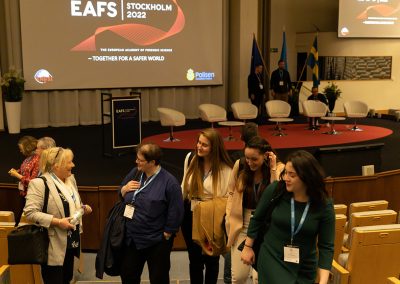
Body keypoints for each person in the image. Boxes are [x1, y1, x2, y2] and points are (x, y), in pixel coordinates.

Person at [240, 150, 335, 284]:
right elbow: (257, 218)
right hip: (273, 258)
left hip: (305, 266)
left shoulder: (324, 205)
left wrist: (323, 281)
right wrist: (248, 247)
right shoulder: (276, 190)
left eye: (292, 175)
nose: (286, 178)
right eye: (285, 172)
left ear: (307, 177)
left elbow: (326, 246)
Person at [24, 147, 92, 284]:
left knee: (67, 279)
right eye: (69, 162)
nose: (73, 165)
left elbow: (71, 202)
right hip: (52, 245)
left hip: (71, 242)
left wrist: (83, 208)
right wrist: (57, 222)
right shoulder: (39, 184)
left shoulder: (70, 180)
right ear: (56, 165)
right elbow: (30, 213)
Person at [119, 142, 184, 284]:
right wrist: (123, 190)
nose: (136, 162)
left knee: (158, 278)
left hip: (156, 241)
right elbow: (121, 191)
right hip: (133, 238)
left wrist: (167, 233)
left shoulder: (170, 182)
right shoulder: (135, 172)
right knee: (128, 274)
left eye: (140, 160)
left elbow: (176, 210)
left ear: (152, 162)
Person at [226, 136, 285, 283]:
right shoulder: (240, 166)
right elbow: (230, 192)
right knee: (238, 276)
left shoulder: (279, 168)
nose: (249, 162)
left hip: (266, 225)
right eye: (247, 158)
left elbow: (277, 193)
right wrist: (229, 217)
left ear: (266, 156)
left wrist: (272, 169)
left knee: (261, 277)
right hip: (243, 223)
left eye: (254, 159)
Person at [181, 128, 233, 284]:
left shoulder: (226, 169)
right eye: (198, 142)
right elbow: (184, 187)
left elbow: (227, 198)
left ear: (214, 148)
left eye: (204, 145)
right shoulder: (190, 158)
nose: (199, 147)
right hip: (190, 215)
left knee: (211, 259)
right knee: (194, 259)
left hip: (212, 217)